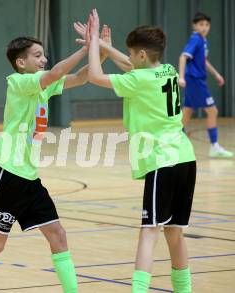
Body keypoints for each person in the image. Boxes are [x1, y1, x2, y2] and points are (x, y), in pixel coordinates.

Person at [0, 25, 111, 293]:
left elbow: (82, 77)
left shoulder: (43, 88)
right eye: (37, 56)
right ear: (21, 62)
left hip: (29, 177)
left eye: (43, 55)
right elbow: (56, 72)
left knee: (58, 235)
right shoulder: (19, 82)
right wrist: (86, 48)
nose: (43, 59)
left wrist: (100, 50)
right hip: (10, 174)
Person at [86, 9, 195, 293]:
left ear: (143, 55)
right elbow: (130, 67)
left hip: (163, 161)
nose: (129, 58)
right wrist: (108, 49)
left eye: (132, 53)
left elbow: (95, 76)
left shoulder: (140, 79)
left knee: (149, 231)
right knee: (174, 232)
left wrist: (94, 43)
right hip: (185, 157)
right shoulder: (166, 69)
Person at [178, 12, 232, 158]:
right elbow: (183, 56)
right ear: (194, 26)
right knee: (212, 111)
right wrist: (181, 77)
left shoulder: (203, 40)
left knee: (187, 111)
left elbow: (204, 61)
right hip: (195, 80)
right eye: (201, 24)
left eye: (207, 25)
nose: (204, 27)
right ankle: (214, 146)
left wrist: (216, 74)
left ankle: (175, 141)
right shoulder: (196, 39)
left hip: (196, 80)